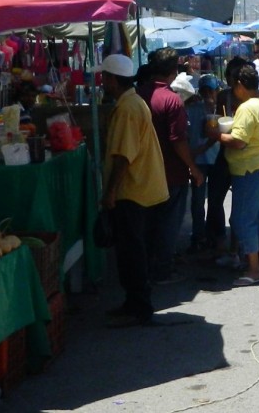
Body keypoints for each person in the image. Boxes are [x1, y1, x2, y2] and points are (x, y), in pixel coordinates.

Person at [97, 54, 168, 328]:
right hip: (143, 188)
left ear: (113, 79)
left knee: (132, 251)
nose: (103, 82)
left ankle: (139, 306)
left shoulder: (128, 107)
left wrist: (110, 192)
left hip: (134, 190)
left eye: (105, 77)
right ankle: (134, 302)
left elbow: (124, 156)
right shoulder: (133, 102)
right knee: (134, 250)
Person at [138, 48, 204, 284]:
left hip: (144, 172)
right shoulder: (171, 100)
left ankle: (148, 266)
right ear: (173, 70)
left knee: (150, 223)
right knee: (167, 224)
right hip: (171, 173)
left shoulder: (138, 95)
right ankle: (163, 270)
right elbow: (178, 140)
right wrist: (193, 169)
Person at [212, 65, 259, 285]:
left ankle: (254, 269)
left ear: (240, 85)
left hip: (250, 169)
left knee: (243, 220)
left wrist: (215, 135)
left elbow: (239, 141)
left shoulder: (247, 108)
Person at [206, 57, 247, 262]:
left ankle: (236, 248)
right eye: (231, 76)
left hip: (245, 156)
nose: (233, 81)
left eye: (236, 77)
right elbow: (217, 119)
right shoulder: (224, 96)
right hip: (224, 153)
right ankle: (221, 242)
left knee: (240, 206)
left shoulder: (254, 99)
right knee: (214, 200)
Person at [184, 74, 221, 252]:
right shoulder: (193, 108)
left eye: (210, 90)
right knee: (198, 201)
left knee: (214, 200)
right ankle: (199, 236)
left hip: (215, 160)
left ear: (215, 91)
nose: (208, 94)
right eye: (204, 90)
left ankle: (213, 235)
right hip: (198, 161)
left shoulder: (220, 110)